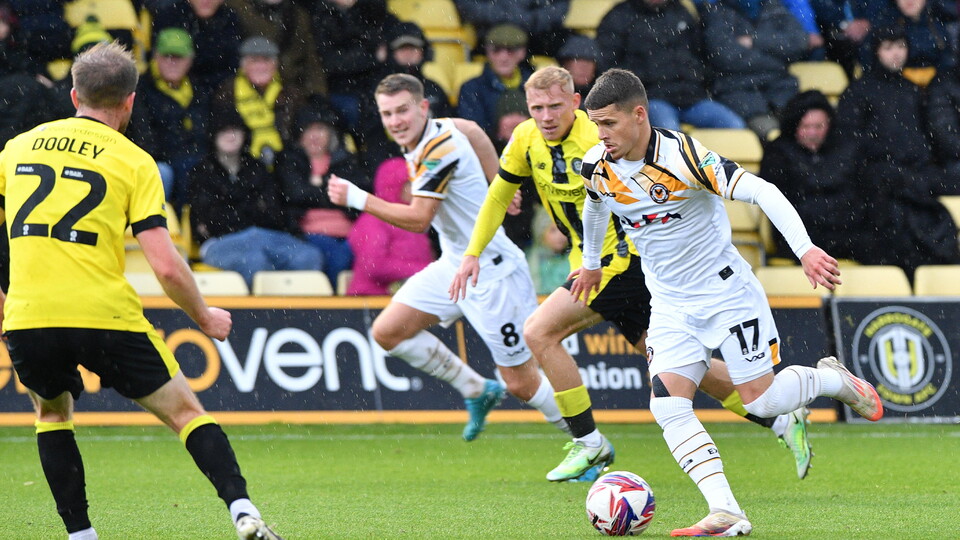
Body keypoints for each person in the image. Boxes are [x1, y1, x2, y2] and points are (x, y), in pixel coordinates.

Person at [450, 65, 815, 483]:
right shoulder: (526, 139)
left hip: (621, 264)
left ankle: (589, 444)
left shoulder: (601, 138)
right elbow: (502, 194)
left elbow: (639, 193)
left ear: (575, 104)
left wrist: (595, 263)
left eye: (555, 106)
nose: (546, 116)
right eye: (537, 108)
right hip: (597, 267)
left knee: (539, 332)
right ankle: (783, 419)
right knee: (682, 373)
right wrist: (472, 252)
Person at [573, 68, 883, 536]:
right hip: (671, 305)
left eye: (609, 124)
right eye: (595, 124)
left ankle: (831, 380)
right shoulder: (597, 165)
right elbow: (594, 205)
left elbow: (762, 191)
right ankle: (726, 510)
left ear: (639, 115)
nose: (601, 135)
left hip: (727, 295)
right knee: (667, 405)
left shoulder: (683, 156)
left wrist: (804, 249)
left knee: (761, 405)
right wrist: (592, 260)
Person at [0, 42, 281, 540]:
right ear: (129, 100)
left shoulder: (17, 148)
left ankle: (81, 536)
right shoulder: (134, 161)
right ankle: (243, 512)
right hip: (104, 316)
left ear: (73, 96)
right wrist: (204, 317)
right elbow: (168, 268)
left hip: (30, 317)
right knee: (186, 414)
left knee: (50, 415)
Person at [328, 73, 568, 442]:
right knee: (387, 332)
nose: (396, 122)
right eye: (387, 113)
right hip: (456, 265)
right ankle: (476, 388)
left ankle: (590, 442)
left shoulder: (437, 150)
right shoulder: (438, 129)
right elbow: (472, 128)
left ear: (423, 108)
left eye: (403, 111)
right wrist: (497, 181)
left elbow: (418, 218)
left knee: (521, 382)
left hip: (493, 273)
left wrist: (357, 198)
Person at [834, 26, 960, 275]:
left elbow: (930, 139)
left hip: (919, 175)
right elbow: (849, 143)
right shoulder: (858, 92)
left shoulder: (913, 90)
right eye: (888, 47)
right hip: (880, 177)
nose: (896, 54)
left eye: (901, 46)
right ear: (876, 51)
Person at [188, 111, 323, 287]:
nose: (230, 136)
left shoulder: (257, 168)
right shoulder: (201, 172)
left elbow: (274, 212)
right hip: (221, 242)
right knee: (254, 262)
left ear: (245, 135)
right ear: (213, 136)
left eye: (235, 130)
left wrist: (235, 209)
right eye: (224, 131)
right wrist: (251, 209)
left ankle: (302, 312)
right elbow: (207, 221)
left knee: (309, 256)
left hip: (264, 235)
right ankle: (262, 313)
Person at [595, 0, 746, 131]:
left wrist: (698, 77)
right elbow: (608, 66)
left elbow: (702, 56)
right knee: (672, 134)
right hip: (650, 99)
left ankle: (712, 165)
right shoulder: (618, 17)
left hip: (691, 97)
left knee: (735, 126)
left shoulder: (682, 12)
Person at [760, 90, 873, 261]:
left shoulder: (848, 148)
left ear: (829, 124)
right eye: (806, 127)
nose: (812, 133)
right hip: (801, 237)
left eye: (818, 126)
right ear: (794, 125)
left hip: (847, 232)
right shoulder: (777, 154)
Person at [277, 105, 368, 287]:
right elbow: (295, 195)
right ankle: (335, 308)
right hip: (308, 235)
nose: (314, 136)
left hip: (351, 233)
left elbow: (356, 196)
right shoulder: (289, 161)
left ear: (330, 134)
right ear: (299, 135)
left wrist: (315, 188)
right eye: (308, 130)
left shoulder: (346, 161)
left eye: (320, 129)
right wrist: (331, 193)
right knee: (338, 256)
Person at [130, 27, 209, 207]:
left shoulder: (199, 90)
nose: (172, 62)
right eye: (167, 56)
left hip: (195, 160)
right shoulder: (140, 88)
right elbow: (143, 136)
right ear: (156, 56)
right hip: (160, 161)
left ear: (190, 60)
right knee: (164, 172)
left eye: (178, 57)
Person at [212, 36, 304, 169]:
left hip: (286, 160)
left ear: (275, 65)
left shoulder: (290, 92)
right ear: (243, 66)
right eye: (254, 61)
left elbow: (298, 132)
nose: (261, 66)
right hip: (242, 160)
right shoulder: (228, 91)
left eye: (266, 60)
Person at [346, 157, 435, 295]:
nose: (418, 189)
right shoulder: (373, 219)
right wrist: (426, 270)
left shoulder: (411, 217)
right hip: (371, 300)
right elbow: (374, 265)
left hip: (408, 298)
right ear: (394, 185)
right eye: (411, 184)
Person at [457, 23, 535, 136]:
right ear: (488, 52)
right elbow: (472, 132)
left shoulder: (536, 84)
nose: (503, 57)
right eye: (496, 50)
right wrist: (499, 133)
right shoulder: (471, 88)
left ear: (522, 53)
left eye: (510, 50)